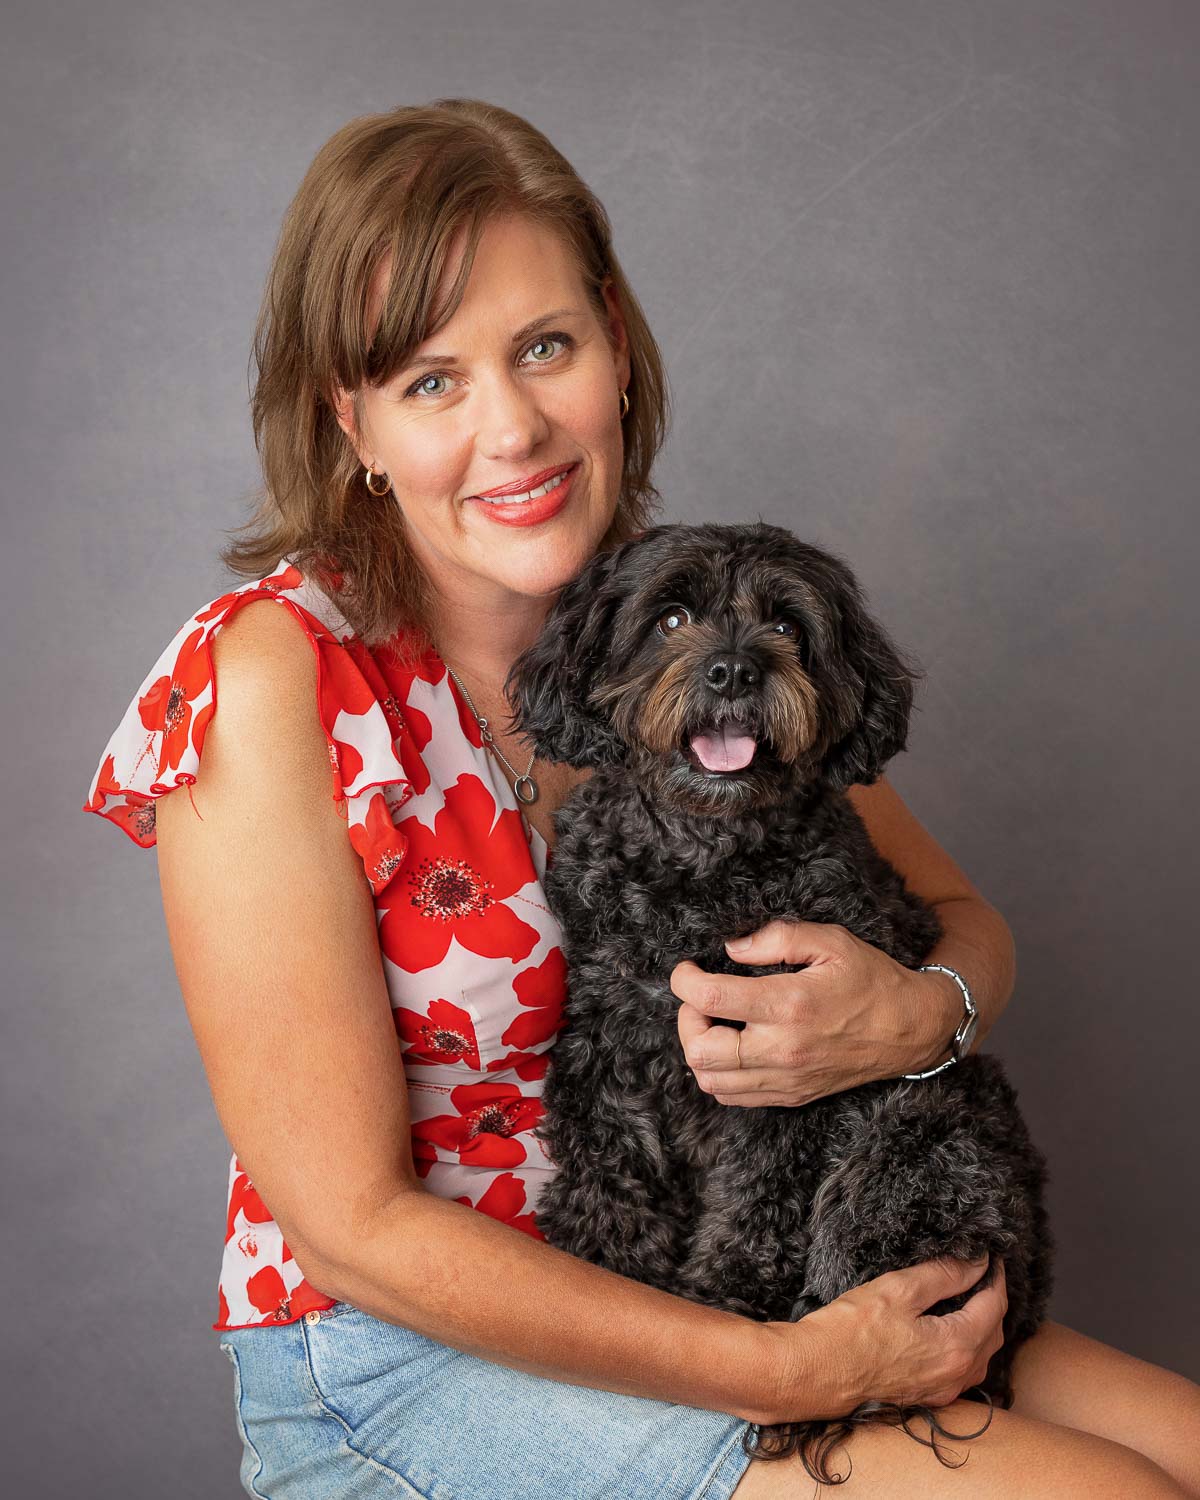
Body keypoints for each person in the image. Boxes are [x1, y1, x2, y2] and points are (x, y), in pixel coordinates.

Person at [82, 99, 1198, 1498]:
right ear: (349, 419)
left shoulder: (678, 630)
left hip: (735, 1271)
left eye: (545, 346)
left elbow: (965, 921)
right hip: (414, 1356)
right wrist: (797, 1371)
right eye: (432, 381)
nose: (513, 426)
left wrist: (920, 1013)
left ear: (615, 345)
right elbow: (351, 1230)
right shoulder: (271, 679)